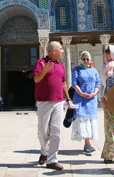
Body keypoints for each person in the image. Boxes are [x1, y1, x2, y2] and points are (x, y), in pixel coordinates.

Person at [33, 41, 74, 171]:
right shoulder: (41, 63)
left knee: (56, 131)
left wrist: (68, 99)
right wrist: (44, 71)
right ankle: (44, 152)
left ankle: (52, 160)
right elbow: (36, 79)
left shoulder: (61, 65)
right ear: (53, 51)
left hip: (58, 102)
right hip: (44, 102)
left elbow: (64, 84)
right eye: (61, 49)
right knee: (43, 131)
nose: (63, 51)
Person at [71, 51, 100, 153]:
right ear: (80, 59)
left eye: (87, 59)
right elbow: (74, 84)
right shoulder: (76, 70)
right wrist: (82, 93)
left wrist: (94, 94)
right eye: (84, 59)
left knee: (90, 121)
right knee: (84, 121)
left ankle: (87, 143)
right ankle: (87, 143)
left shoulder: (94, 70)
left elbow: (97, 84)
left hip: (91, 100)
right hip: (80, 99)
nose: (86, 61)